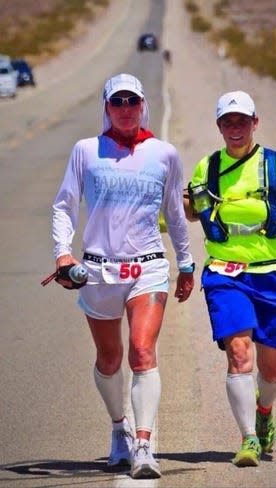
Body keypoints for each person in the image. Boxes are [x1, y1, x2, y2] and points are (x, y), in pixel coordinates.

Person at [52, 73, 195, 479]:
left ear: (143, 104)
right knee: (110, 358)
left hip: (148, 266)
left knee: (141, 350)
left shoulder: (163, 154)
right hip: (98, 271)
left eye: (133, 101)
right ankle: (120, 429)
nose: (126, 108)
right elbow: (64, 205)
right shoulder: (86, 151)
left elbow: (174, 212)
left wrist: (185, 263)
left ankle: (145, 446)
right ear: (107, 108)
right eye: (118, 102)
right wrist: (63, 254)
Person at [184, 90, 276, 467]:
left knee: (272, 368)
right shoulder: (206, 168)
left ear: (255, 123)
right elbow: (190, 213)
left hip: (273, 276)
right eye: (228, 122)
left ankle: (264, 409)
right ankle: (248, 439)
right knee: (239, 352)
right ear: (219, 127)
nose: (236, 128)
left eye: (242, 121)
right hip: (225, 275)